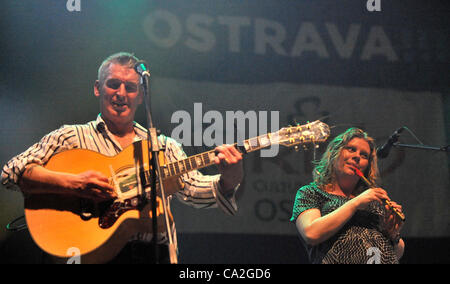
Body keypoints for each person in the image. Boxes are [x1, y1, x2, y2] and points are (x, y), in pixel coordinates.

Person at [1, 52, 243, 264]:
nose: (121, 93)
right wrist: (74, 183)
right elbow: (11, 172)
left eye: (130, 87)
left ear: (140, 96)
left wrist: (229, 179)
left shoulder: (162, 147)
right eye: (113, 84)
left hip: (153, 256)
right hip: (88, 253)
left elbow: (193, 191)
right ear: (97, 88)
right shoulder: (70, 137)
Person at [290, 128, 405, 264]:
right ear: (335, 153)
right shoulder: (311, 192)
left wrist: (393, 234)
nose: (357, 156)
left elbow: (395, 254)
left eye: (364, 155)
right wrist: (356, 203)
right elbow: (311, 233)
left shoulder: (373, 200)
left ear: (367, 165)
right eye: (351, 149)